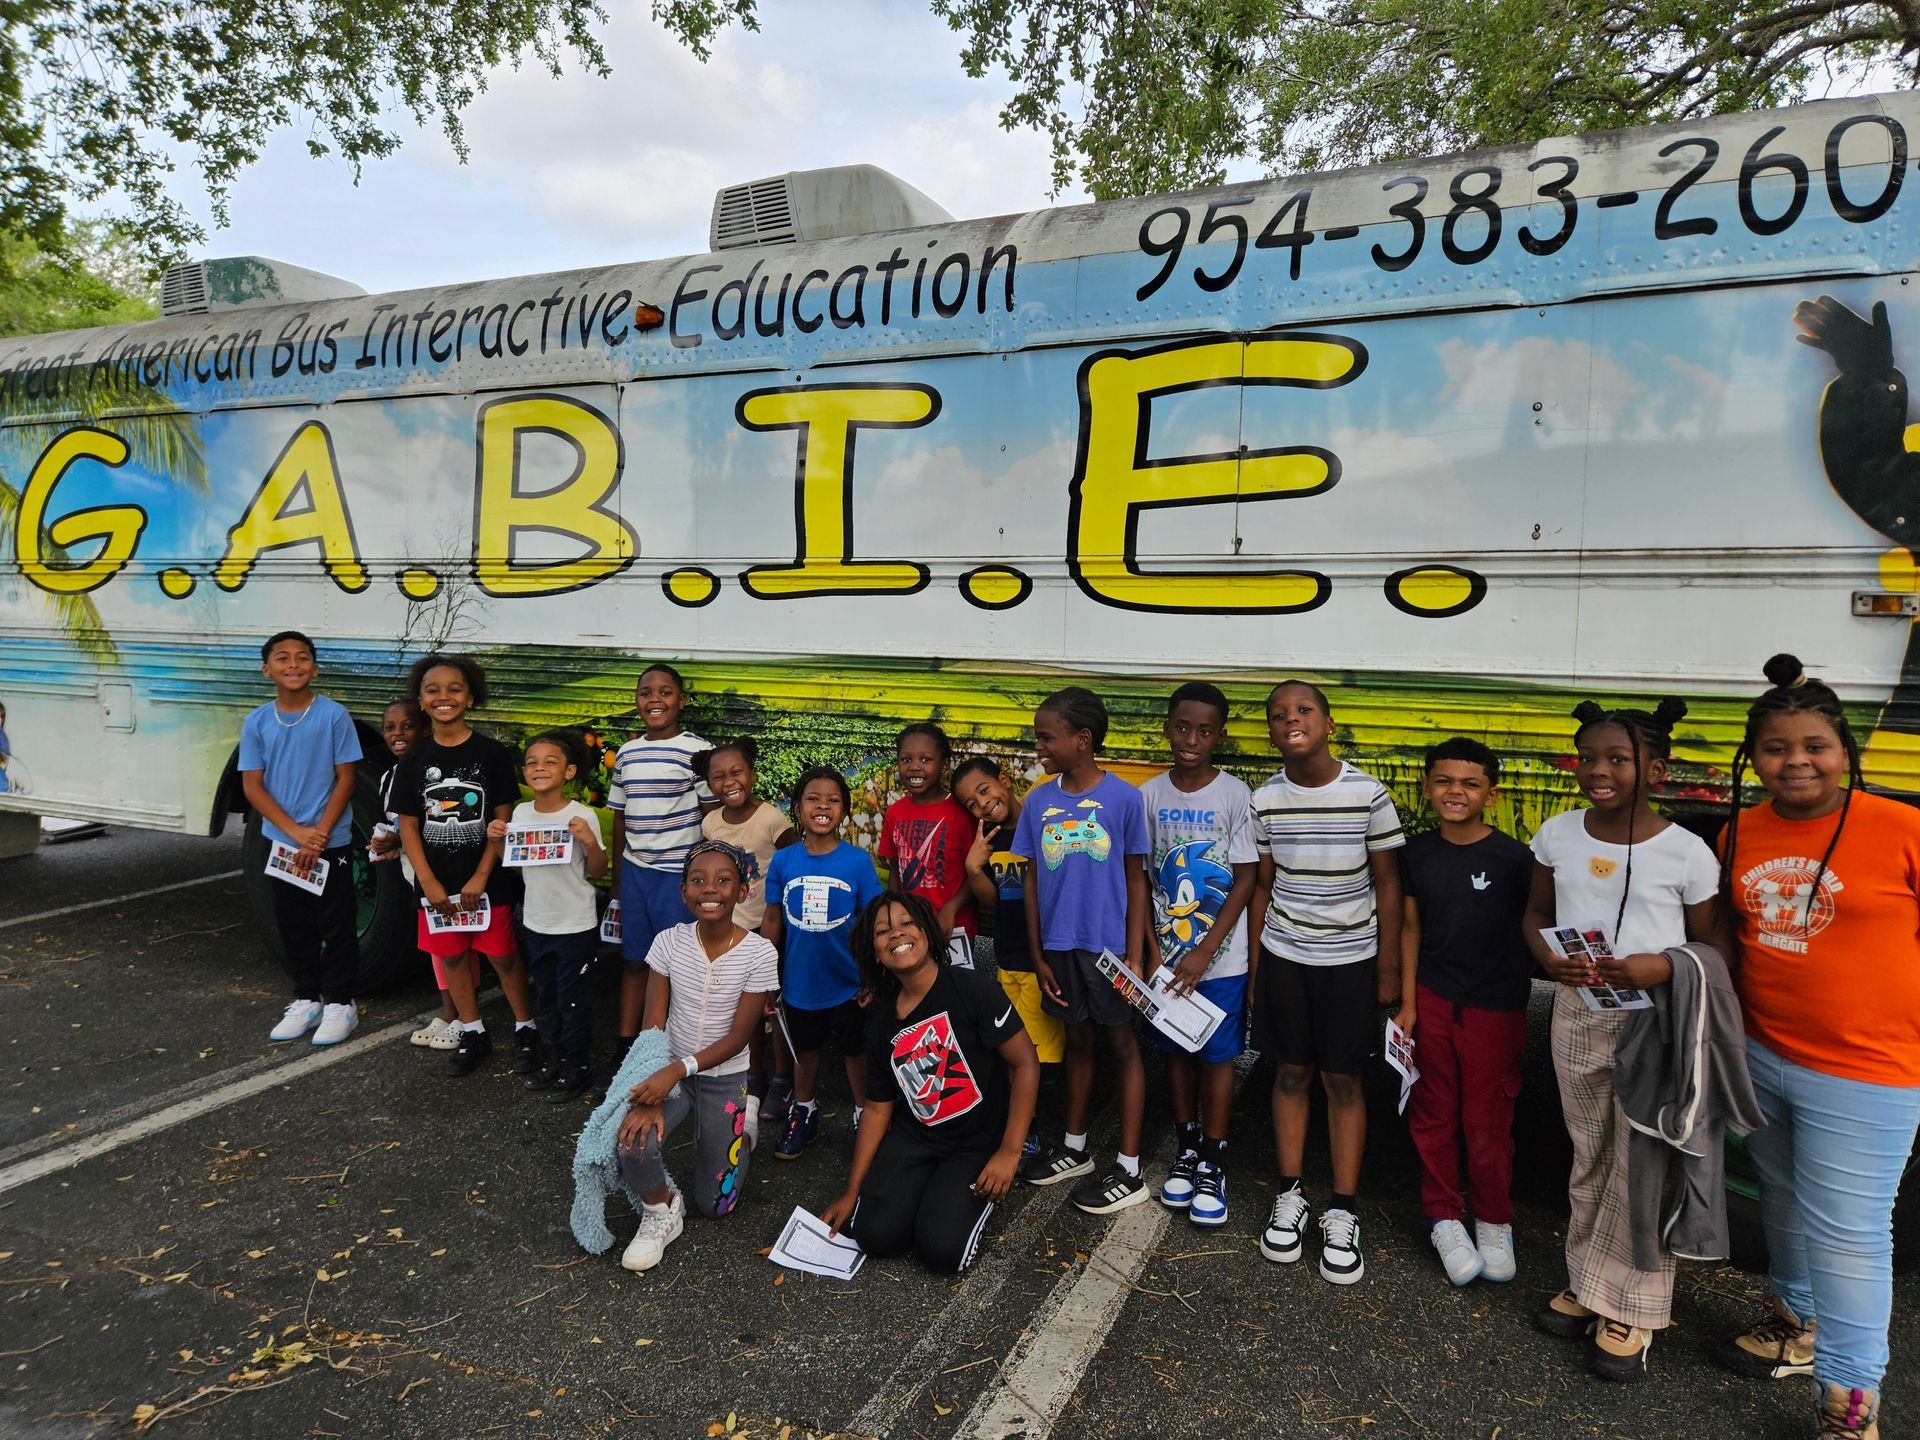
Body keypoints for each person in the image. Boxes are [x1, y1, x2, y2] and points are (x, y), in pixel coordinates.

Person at [1712, 654, 1920, 1440]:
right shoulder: (1743, 828)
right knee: (1785, 1201)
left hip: (1869, 1070)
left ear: (1845, 752)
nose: (1795, 761)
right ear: (1753, 758)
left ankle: (1850, 1402)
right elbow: (1738, 932)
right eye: (1775, 747)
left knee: (1853, 1233)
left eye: (1815, 746)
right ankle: (1794, 1324)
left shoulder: (1901, 827)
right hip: (1766, 1053)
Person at [1521, 698, 1720, 1380]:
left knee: (1644, 1162)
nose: (1597, 771)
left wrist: (1659, 966)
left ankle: (1631, 1310)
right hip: (1580, 1010)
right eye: (1588, 758)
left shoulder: (1687, 852)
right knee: (1590, 1153)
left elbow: (1712, 946)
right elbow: (1537, 914)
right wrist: (1550, 959)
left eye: (1617, 759)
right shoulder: (1557, 833)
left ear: (1656, 768)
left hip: (1655, 1021)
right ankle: (1587, 1281)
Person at [1250, 679, 1405, 1285]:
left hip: (1352, 959)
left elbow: (1389, 883)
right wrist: (1261, 966)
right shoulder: (1265, 800)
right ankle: (1291, 1193)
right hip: (1286, 954)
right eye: (1278, 715)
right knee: (1290, 1072)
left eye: (1304, 710)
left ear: (1329, 723)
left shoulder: (1367, 793)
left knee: (1343, 1080)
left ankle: (1343, 1207)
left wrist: (1387, 966)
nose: (1291, 719)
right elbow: (1264, 884)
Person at [571, 841, 779, 1272]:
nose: (711, 889)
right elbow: (653, 1024)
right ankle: (661, 1209)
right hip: (672, 1072)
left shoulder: (760, 953)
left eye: (724, 880)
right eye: (698, 880)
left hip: (722, 1077)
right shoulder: (668, 943)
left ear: (743, 892)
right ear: (683, 892)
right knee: (632, 1140)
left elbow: (740, 1037)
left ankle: (746, 1117)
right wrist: (653, 1083)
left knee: (718, 1205)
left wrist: (675, 1069)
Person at [822, 891, 1040, 1272]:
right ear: (874, 952)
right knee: (874, 1237)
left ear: (927, 932)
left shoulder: (973, 989)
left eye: (907, 923)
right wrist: (851, 1193)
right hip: (916, 1138)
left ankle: (946, 1205)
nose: (897, 934)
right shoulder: (881, 1021)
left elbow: (1026, 1065)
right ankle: (920, 1200)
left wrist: (1009, 1151)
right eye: (883, 930)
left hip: (974, 1144)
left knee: (942, 1253)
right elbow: (876, 1109)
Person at [1398, 736, 1534, 1286]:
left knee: (1488, 1120)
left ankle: (1494, 1220)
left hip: (1494, 1007)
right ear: (1428, 788)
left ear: (1491, 795)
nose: (1456, 792)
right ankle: (1444, 1218)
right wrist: (1407, 1003)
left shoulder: (1514, 860)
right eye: (1445, 781)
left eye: (1470, 783)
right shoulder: (1417, 854)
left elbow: (1532, 928)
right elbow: (1411, 927)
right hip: (1432, 999)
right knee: (1433, 1111)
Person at [1011, 686, 1152, 1214]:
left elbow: (1136, 879)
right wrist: (1039, 951)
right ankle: (1075, 1149)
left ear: (1082, 739)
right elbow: (1028, 879)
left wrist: (1134, 953)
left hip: (1109, 949)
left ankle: (1131, 1166)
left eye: (1047, 737)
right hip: (1059, 947)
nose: (1040, 746)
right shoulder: (1039, 800)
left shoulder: (1123, 799)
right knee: (1078, 1042)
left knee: (1122, 1046)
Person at [1140, 682, 1257, 1228]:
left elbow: (1246, 878)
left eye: (1205, 731)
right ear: (1167, 727)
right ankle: (1187, 1147)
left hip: (1221, 961)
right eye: (1183, 727)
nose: (1192, 739)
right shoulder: (1149, 795)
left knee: (1216, 1056)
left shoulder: (1234, 795)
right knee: (1176, 1051)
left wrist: (1205, 950)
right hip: (1166, 959)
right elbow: (1139, 878)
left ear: (1220, 736)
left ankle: (1214, 1156)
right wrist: (1150, 950)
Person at [391, 653, 537, 1077]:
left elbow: (502, 818)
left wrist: (481, 875)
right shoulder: (413, 761)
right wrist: (428, 882)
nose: (444, 697)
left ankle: (525, 1028)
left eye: (455, 689)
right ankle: (472, 1031)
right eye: (433, 690)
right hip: (437, 885)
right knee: (453, 958)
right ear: (420, 700)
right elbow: (409, 826)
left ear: (471, 698)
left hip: (488, 882)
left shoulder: (491, 754)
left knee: (504, 957)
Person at [241, 631, 364, 1046]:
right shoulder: (257, 721)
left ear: (314, 667)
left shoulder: (333, 715)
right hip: (283, 843)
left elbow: (346, 778)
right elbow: (253, 787)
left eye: (302, 657)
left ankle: (341, 1004)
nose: (293, 665)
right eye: (282, 658)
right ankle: (307, 998)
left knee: (337, 921)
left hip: (331, 840)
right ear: (266, 669)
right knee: (293, 923)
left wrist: (320, 835)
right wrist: (295, 834)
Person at [761, 766, 883, 1160]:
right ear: (797, 807)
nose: (823, 806)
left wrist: (871, 975)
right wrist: (766, 977)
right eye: (813, 798)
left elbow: (873, 920)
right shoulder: (783, 861)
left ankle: (864, 1114)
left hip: (849, 983)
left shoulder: (857, 862)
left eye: (833, 800)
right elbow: (773, 919)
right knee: (805, 1053)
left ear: (844, 811)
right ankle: (804, 1110)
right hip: (800, 984)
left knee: (855, 1052)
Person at [954, 754, 1064, 1168]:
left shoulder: (1039, 826)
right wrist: (973, 866)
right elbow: (990, 902)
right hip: (1008, 960)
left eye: (985, 790)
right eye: (971, 803)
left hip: (1042, 961)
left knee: (1039, 1055)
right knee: (1013, 1048)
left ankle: (1030, 1133)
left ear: (1004, 779)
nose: (982, 804)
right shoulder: (991, 841)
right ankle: (1022, 1127)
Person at [491, 732, 607, 1101]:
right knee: (547, 996)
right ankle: (556, 1057)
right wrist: (497, 841)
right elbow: (514, 867)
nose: (539, 767)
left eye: (550, 761)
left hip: (576, 924)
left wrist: (588, 840)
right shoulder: (521, 814)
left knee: (573, 998)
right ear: (524, 772)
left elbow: (599, 869)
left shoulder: (582, 814)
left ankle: (579, 1065)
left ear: (569, 771)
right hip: (537, 922)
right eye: (532, 762)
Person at [609, 663, 715, 1061]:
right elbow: (620, 816)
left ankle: (677, 1048)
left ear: (681, 701)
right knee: (635, 960)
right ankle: (626, 1048)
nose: (655, 700)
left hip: (677, 877)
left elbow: (710, 816)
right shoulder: (627, 752)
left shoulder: (698, 752)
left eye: (665, 692)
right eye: (646, 693)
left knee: (678, 964)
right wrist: (618, 880)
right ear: (637, 701)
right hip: (636, 873)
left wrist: (703, 878)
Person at [699, 738, 799, 1136]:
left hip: (768, 929)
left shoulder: (771, 819)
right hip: (733, 932)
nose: (729, 782)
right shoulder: (711, 822)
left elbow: (794, 860)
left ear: (753, 775)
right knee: (747, 1009)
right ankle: (753, 1076)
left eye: (736, 772)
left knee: (775, 1008)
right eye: (718, 776)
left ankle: (782, 1080)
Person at [370, 699, 469, 1052]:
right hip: (416, 873)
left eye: (408, 726)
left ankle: (465, 1016)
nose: (398, 734)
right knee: (435, 944)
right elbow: (397, 825)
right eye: (390, 727)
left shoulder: (435, 770)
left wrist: (402, 838)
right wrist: (387, 845)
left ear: (424, 728)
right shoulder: (388, 777)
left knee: (458, 942)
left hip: (444, 871)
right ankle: (448, 1010)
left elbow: (442, 820)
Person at [877, 722, 978, 942]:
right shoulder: (895, 813)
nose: (914, 767)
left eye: (925, 759)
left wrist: (951, 909)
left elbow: (976, 872)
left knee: (953, 977)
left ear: (943, 766)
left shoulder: (961, 812)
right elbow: (896, 869)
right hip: (911, 928)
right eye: (906, 759)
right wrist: (895, 914)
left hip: (952, 926)